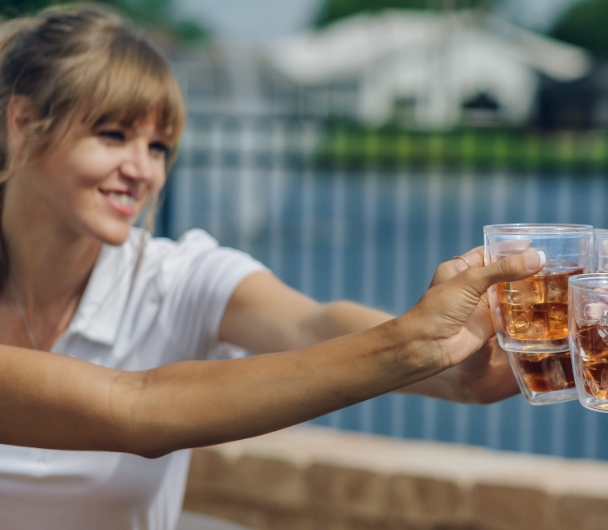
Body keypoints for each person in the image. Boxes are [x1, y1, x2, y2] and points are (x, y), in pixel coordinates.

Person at [0, 5, 521, 529]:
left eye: (158, 147)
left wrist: (455, 365)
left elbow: (311, 325)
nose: (142, 170)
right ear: (21, 123)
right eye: (113, 134)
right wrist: (416, 344)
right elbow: (135, 409)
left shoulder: (174, 277)